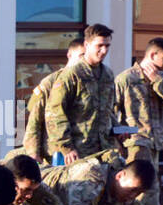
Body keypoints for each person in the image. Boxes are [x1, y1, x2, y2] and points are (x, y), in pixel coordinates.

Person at [113, 37, 163, 205]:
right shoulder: (125, 79)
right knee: (139, 194)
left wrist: (158, 81)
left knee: (150, 193)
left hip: (156, 143)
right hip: (135, 145)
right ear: (151, 55)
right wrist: (118, 141)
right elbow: (112, 112)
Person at [46, 23, 116, 162]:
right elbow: (54, 113)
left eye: (107, 46)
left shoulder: (107, 75)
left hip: (104, 150)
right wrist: (66, 147)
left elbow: (107, 110)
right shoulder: (72, 75)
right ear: (87, 45)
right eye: (99, 46)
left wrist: (118, 129)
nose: (103, 51)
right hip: (78, 152)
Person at [22, 38, 84, 162]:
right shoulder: (51, 82)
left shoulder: (87, 83)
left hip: (83, 150)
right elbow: (35, 119)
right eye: (81, 55)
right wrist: (33, 152)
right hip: (56, 154)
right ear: (69, 55)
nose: (83, 61)